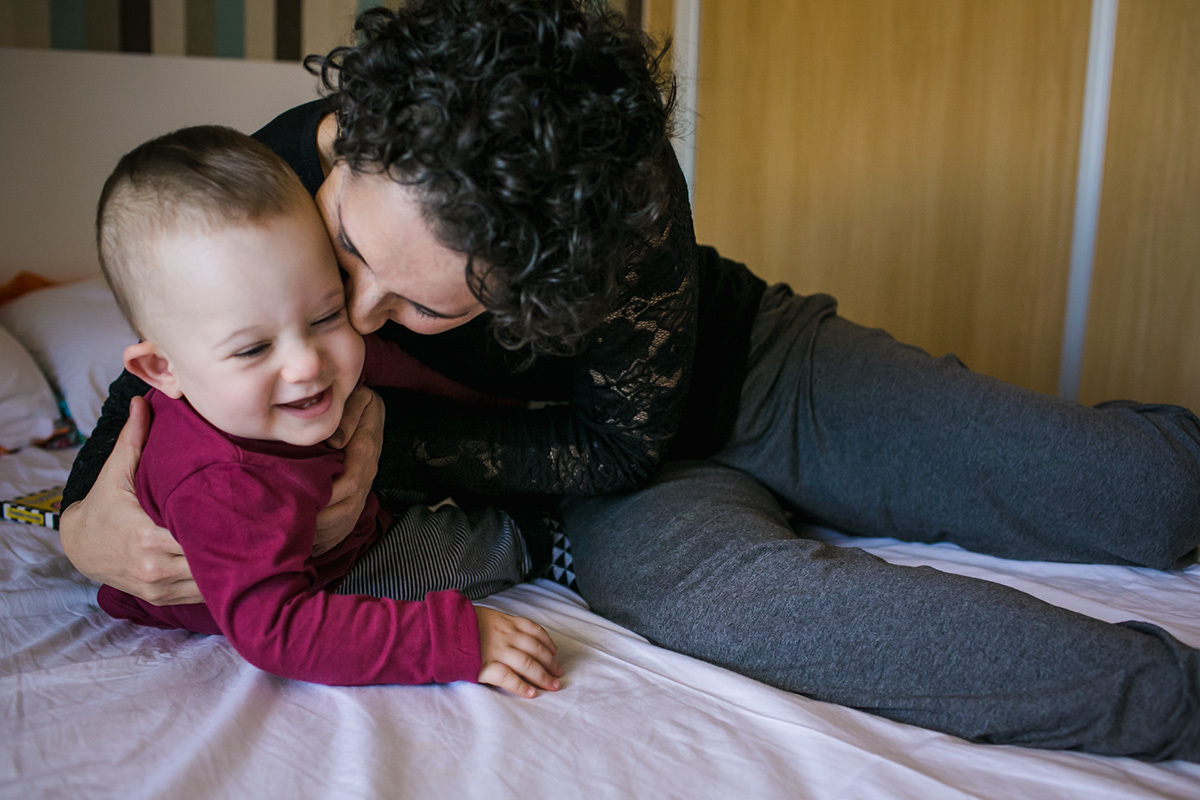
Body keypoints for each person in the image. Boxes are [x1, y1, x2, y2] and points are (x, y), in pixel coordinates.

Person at [63, 0, 1199, 759]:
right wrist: (84, 517)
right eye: (348, 252)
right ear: (350, 140)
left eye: (421, 305)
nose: (354, 323)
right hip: (588, 503)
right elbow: (162, 379)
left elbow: (616, 438)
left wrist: (384, 445)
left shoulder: (608, 192)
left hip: (738, 377)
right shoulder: (275, 170)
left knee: (1145, 495)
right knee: (741, 603)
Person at [89, 124, 563, 696]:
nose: (306, 366)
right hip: (314, 578)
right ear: (164, 370)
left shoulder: (305, 371)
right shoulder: (218, 487)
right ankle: (542, 540)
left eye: (325, 317)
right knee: (439, 555)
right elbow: (278, 631)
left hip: (341, 506)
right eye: (253, 348)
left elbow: (404, 372)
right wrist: (460, 641)